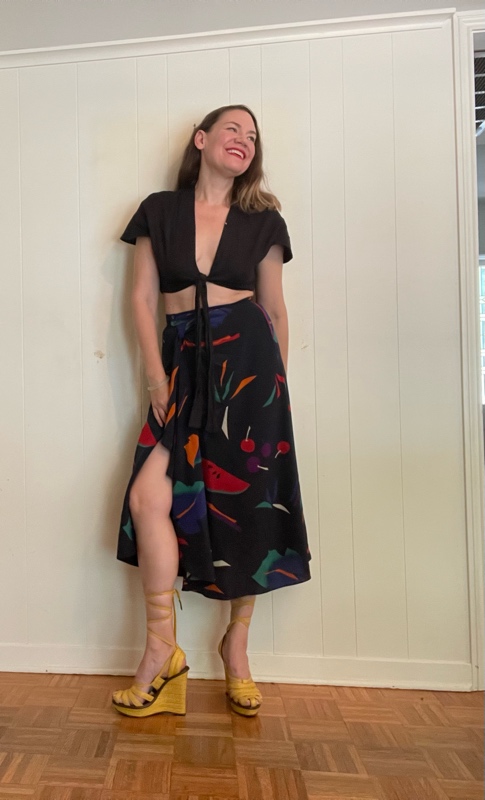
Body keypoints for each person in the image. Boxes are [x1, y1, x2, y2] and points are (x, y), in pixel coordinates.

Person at [112, 104, 312, 719]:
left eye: (252, 136)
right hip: (179, 361)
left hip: (248, 365)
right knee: (151, 497)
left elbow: (274, 310)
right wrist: (153, 373)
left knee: (244, 502)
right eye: (232, 129)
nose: (243, 140)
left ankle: (237, 648)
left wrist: (271, 388)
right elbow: (142, 297)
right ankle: (162, 652)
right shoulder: (159, 210)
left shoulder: (262, 220)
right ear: (201, 139)